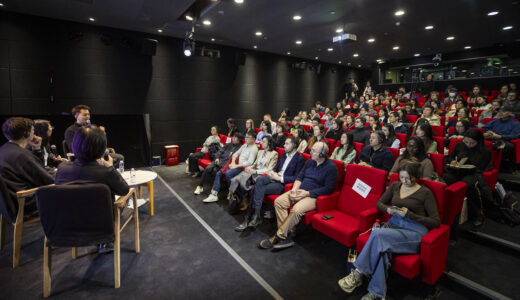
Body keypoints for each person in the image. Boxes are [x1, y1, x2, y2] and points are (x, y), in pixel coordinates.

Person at [339, 162, 440, 300]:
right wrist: (388, 209)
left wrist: (410, 214)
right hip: (395, 225)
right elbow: (379, 203)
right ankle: (377, 293)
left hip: (414, 231)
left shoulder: (425, 192)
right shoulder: (395, 186)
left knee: (377, 234)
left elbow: (435, 222)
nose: (404, 181)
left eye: (408, 178)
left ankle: (358, 272)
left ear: (415, 177)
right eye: (402, 177)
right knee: (383, 251)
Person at [259, 141, 338, 249]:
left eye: (314, 151)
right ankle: (287, 234)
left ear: (322, 154)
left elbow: (328, 189)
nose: (310, 151)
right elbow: (300, 177)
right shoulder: (310, 161)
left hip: (313, 196)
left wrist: (307, 193)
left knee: (296, 210)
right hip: (300, 190)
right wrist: (294, 190)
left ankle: (279, 236)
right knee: (279, 202)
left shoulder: (331, 167)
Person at [235, 136, 305, 231]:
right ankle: (255, 217)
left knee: (257, 188)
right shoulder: (285, 154)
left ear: (294, 145)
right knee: (259, 181)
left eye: (287, 144)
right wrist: (273, 172)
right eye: (284, 143)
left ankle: (249, 217)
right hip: (274, 177)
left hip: (282, 184)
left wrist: (280, 178)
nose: (284, 145)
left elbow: (296, 178)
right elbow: (277, 168)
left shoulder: (299, 158)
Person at [0, 117, 54, 218]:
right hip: (24, 204)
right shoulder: (22, 155)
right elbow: (48, 181)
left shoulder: (3, 150)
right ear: (26, 133)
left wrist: (36, 148)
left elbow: (39, 170)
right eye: (33, 130)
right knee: (65, 194)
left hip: (9, 204)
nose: (34, 134)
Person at [55, 126, 129, 197]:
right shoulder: (106, 172)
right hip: (101, 210)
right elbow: (124, 190)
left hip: (67, 210)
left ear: (75, 144)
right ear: (102, 148)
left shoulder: (62, 168)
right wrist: (111, 167)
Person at [444, 129, 493, 226]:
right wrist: (453, 162)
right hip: (457, 171)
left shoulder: (485, 151)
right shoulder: (460, 145)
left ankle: (478, 213)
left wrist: (464, 168)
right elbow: (451, 157)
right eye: (466, 141)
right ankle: (451, 209)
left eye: (472, 143)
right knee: (446, 177)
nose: (468, 145)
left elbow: (480, 168)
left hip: (473, 173)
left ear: (478, 141)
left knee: (467, 184)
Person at [202, 131, 258, 203]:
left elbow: (249, 162)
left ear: (253, 139)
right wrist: (233, 162)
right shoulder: (245, 145)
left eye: (247, 137)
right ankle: (214, 194)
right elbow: (235, 154)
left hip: (243, 167)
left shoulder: (254, 148)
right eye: (245, 137)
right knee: (219, 172)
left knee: (228, 173)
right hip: (236, 164)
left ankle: (231, 191)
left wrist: (236, 165)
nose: (245, 138)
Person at [227, 136, 278, 211]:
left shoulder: (274, 154)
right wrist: (250, 167)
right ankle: (236, 196)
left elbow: (269, 169)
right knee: (235, 180)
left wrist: (256, 171)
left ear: (269, 143)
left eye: (264, 141)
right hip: (254, 170)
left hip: (261, 174)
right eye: (261, 141)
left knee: (243, 182)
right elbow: (255, 163)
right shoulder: (260, 151)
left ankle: (244, 200)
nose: (261, 143)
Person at [483, 107, 520, 172]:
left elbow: (514, 136)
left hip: (503, 140)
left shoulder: (515, 124)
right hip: (491, 138)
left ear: (510, 113)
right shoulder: (494, 121)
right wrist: (487, 133)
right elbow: (484, 128)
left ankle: (498, 167)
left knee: (509, 146)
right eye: (500, 111)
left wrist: (500, 136)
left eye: (503, 112)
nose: (501, 113)